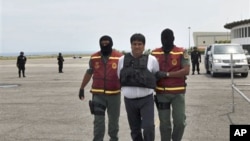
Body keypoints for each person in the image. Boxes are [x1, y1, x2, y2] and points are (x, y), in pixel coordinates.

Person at [79, 35, 122, 141]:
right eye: (102, 43)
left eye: (107, 43)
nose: (104, 45)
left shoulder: (119, 57)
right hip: (98, 96)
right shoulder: (94, 58)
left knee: (113, 123)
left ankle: (114, 139)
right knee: (98, 122)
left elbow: (124, 74)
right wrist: (82, 88)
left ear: (111, 43)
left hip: (114, 95)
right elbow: (89, 73)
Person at [117, 33, 159, 141]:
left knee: (148, 127)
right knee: (135, 130)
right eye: (134, 44)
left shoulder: (152, 60)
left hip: (146, 99)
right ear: (130, 45)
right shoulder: (122, 60)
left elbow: (155, 76)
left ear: (144, 45)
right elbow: (119, 76)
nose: (137, 46)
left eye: (139, 44)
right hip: (129, 101)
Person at [151, 28, 190, 141]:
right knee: (164, 124)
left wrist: (167, 74)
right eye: (163, 38)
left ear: (173, 38)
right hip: (161, 94)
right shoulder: (154, 53)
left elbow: (186, 70)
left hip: (178, 94)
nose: (166, 40)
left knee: (180, 122)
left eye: (168, 38)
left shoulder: (181, 52)